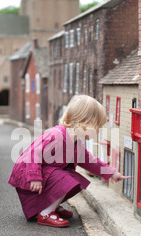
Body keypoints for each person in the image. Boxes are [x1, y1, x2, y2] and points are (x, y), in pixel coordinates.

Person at [8, 95, 130, 228]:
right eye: (98, 127)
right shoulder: (56, 136)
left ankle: (51, 205)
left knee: (72, 178)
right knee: (66, 179)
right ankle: (46, 213)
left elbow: (89, 161)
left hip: (41, 172)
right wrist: (34, 177)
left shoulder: (76, 142)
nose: (99, 131)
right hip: (27, 173)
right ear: (86, 123)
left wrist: (111, 173)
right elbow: (34, 154)